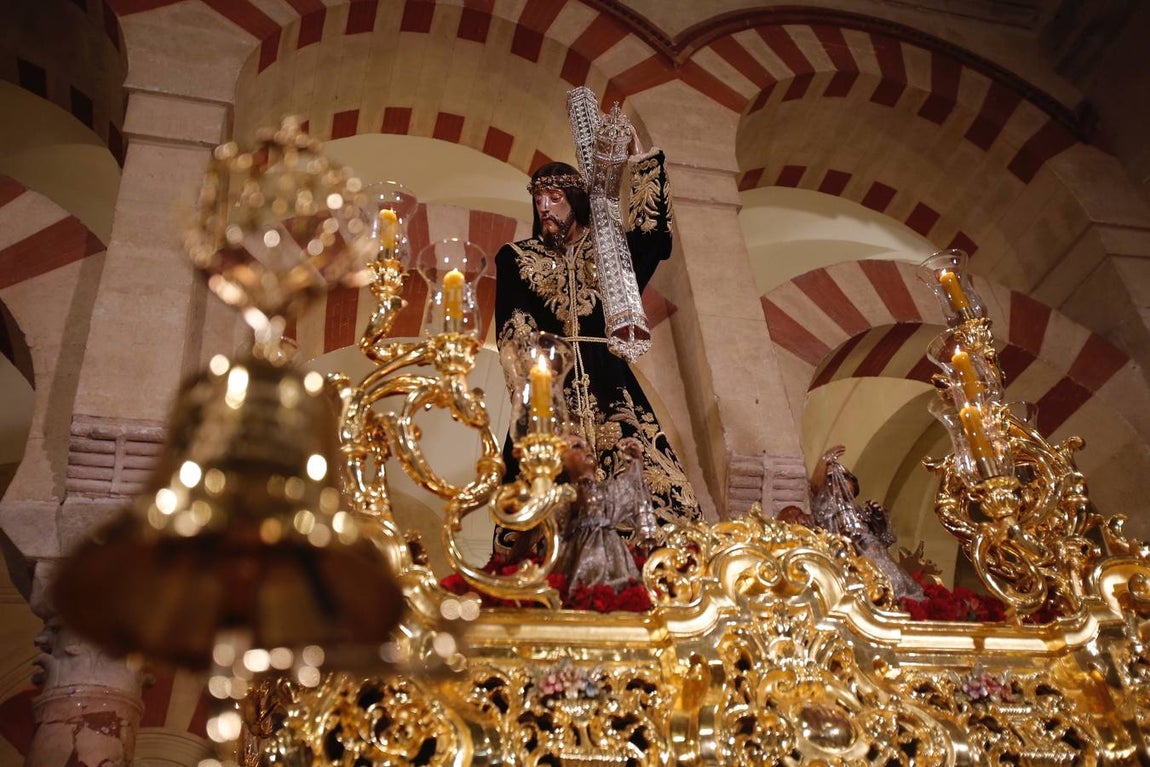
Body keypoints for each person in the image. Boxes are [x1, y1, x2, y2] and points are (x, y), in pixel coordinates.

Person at [493, 134, 702, 556]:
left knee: (663, 503)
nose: (545, 208)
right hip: (550, 392)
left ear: (576, 200)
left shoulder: (610, 253)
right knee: (531, 509)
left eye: (554, 197)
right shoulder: (516, 257)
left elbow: (654, 240)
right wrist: (532, 389)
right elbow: (513, 328)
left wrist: (642, 164)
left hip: (611, 385)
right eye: (539, 200)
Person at [810, 445, 923, 599]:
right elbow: (815, 486)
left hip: (875, 550)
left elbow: (886, 538)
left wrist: (879, 519)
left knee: (899, 583)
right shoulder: (827, 505)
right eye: (832, 480)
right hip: (853, 553)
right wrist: (825, 460)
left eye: (844, 478)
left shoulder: (859, 510)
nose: (838, 483)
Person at [554, 435, 657, 590]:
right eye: (576, 447)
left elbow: (631, 487)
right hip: (577, 552)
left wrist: (635, 462)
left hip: (613, 555)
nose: (587, 450)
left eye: (587, 445)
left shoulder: (608, 490)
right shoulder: (564, 497)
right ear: (560, 463)